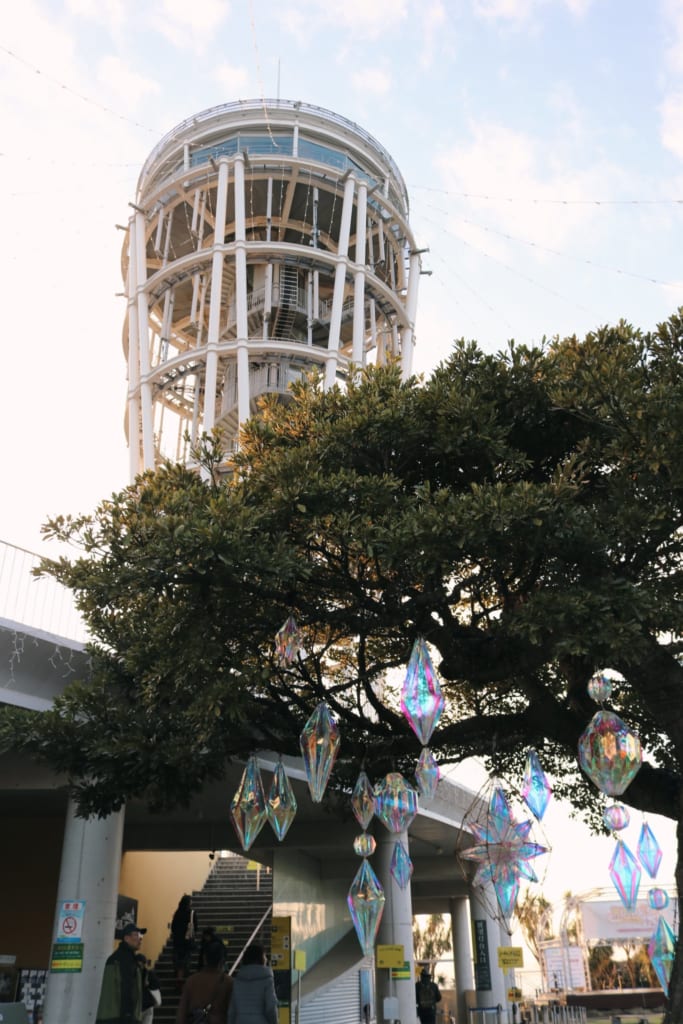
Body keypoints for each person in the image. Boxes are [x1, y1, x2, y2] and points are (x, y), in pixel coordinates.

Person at [96, 922, 147, 1024]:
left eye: (140, 936)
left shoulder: (119, 958)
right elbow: (125, 987)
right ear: (127, 938)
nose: (140, 939)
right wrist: (128, 1016)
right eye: (136, 935)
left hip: (111, 1017)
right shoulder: (125, 960)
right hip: (120, 1017)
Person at [176, 939, 232, 1024]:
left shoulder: (191, 981)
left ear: (204, 958)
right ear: (222, 960)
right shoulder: (228, 982)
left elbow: (182, 1012)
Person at [227, 944, 278, 1024]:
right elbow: (271, 1008)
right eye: (264, 956)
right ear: (260, 958)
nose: (266, 959)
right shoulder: (267, 980)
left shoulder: (237, 981)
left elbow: (232, 1011)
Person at [171, 895, 198, 989]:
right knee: (186, 960)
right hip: (187, 942)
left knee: (179, 961)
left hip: (177, 942)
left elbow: (173, 928)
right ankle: (183, 980)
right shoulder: (192, 913)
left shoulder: (177, 913)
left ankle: (179, 979)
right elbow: (196, 928)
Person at [136, 954, 162, 1024]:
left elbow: (157, 985)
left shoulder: (146, 973)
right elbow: (157, 985)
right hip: (146, 1005)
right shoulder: (147, 973)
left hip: (143, 1005)